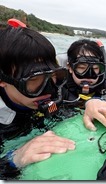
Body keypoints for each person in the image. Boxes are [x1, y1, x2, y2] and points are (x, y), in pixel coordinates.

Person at [0, 20, 76, 180]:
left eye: (54, 76)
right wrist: (13, 160)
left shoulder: (57, 92)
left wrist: (91, 105)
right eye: (34, 80)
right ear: (3, 80)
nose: (49, 90)